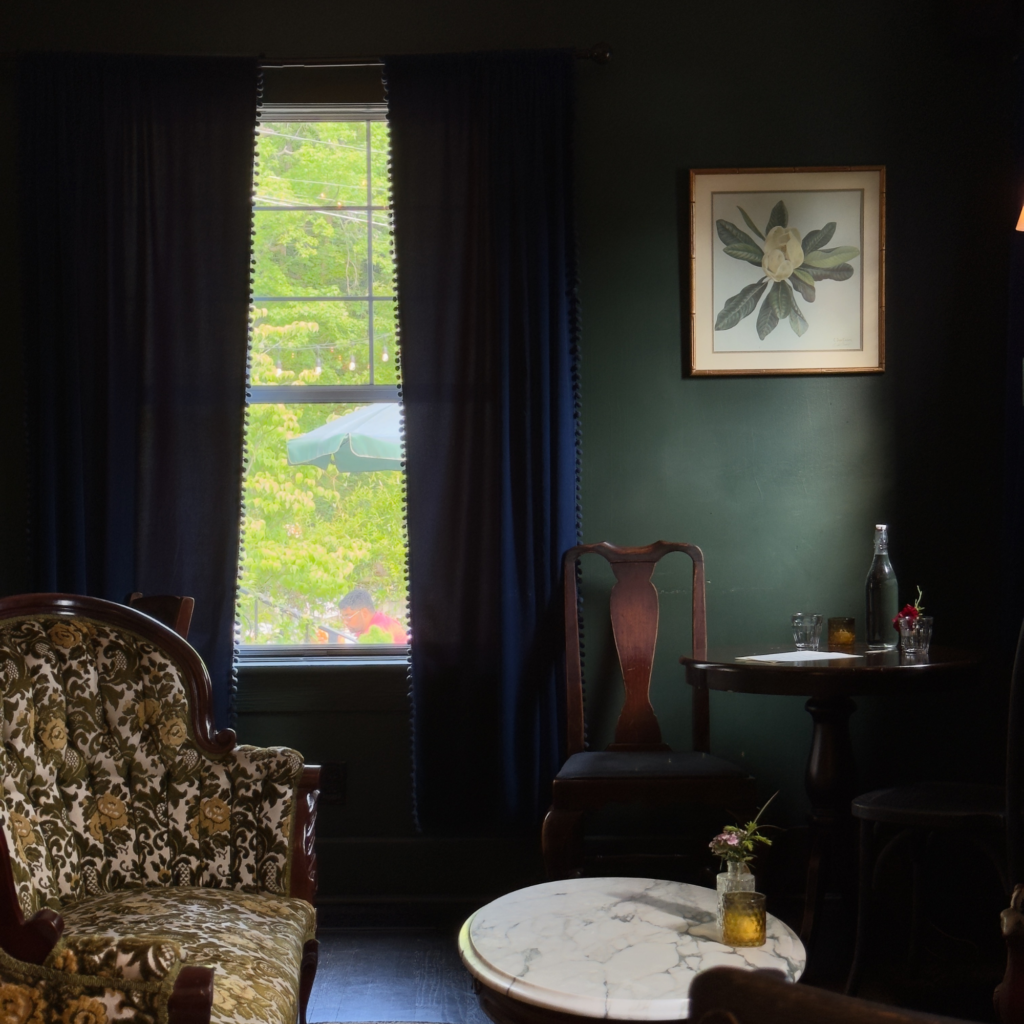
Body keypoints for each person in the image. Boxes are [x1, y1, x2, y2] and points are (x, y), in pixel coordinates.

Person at [338, 587, 408, 644]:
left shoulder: (380, 631)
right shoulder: (367, 626)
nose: (345, 622)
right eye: (343, 617)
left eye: (348, 617)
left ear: (364, 613)